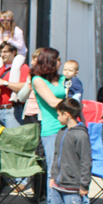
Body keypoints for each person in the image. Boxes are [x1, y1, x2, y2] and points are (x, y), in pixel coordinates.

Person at [39, 98, 91, 204]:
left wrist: (84, 184)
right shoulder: (61, 132)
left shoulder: (81, 136)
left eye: (59, 114)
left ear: (66, 114)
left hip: (73, 186)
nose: (57, 117)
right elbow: (56, 156)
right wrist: (53, 176)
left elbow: (86, 161)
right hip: (58, 184)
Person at [31, 48, 66, 195]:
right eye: (57, 59)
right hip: (51, 129)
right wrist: (72, 104)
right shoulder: (38, 80)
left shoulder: (64, 79)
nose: (60, 62)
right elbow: (52, 102)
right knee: (54, 169)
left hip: (69, 127)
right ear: (50, 61)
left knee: (68, 169)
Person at [0, 41, 29, 129]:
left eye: (5, 52)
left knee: (12, 139)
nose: (2, 54)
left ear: (13, 52)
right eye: (1, 52)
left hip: (11, 110)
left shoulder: (22, 67)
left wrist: (5, 83)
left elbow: (24, 86)